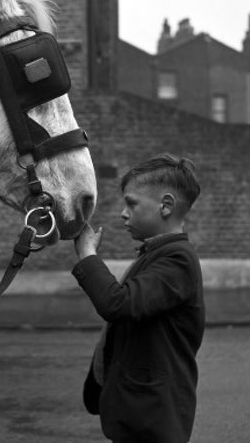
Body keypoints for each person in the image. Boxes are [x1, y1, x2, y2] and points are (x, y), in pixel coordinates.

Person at [72, 153, 205, 443]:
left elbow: (117, 304)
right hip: (138, 416)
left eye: (131, 203)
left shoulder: (177, 260)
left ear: (166, 206)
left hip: (154, 421)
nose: (123, 212)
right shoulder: (159, 254)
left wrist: (87, 255)